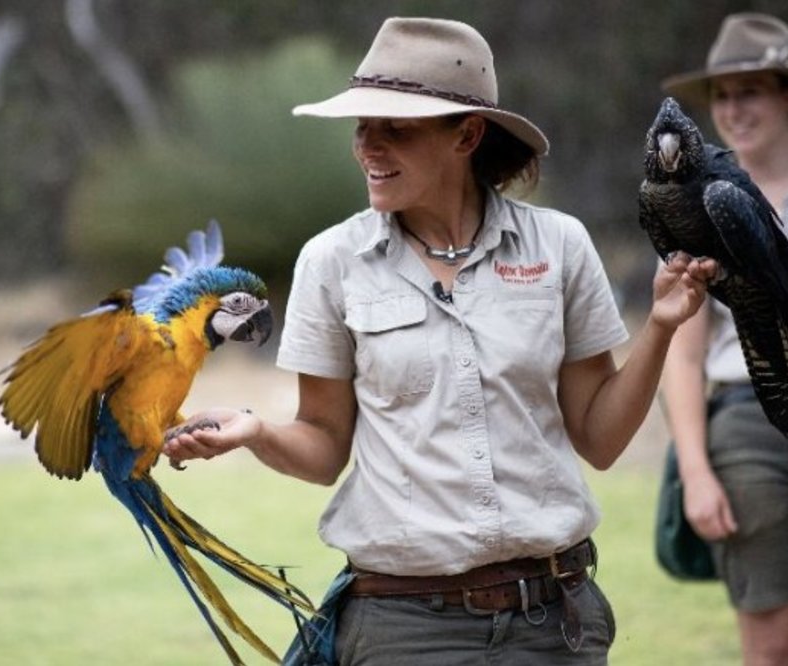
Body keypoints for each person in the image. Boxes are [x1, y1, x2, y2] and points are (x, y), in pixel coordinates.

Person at [165, 17, 714, 665]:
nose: (368, 147)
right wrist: (255, 431)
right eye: (362, 127)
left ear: (468, 135)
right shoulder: (332, 262)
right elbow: (322, 447)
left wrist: (661, 327)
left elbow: (600, 439)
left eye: (395, 129)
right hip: (403, 627)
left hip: (553, 623)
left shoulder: (559, 245)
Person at [658, 12, 788, 666]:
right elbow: (684, 355)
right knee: (772, 647)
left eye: (749, 92)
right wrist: (695, 472)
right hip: (749, 426)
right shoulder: (688, 201)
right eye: (721, 96)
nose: (732, 110)